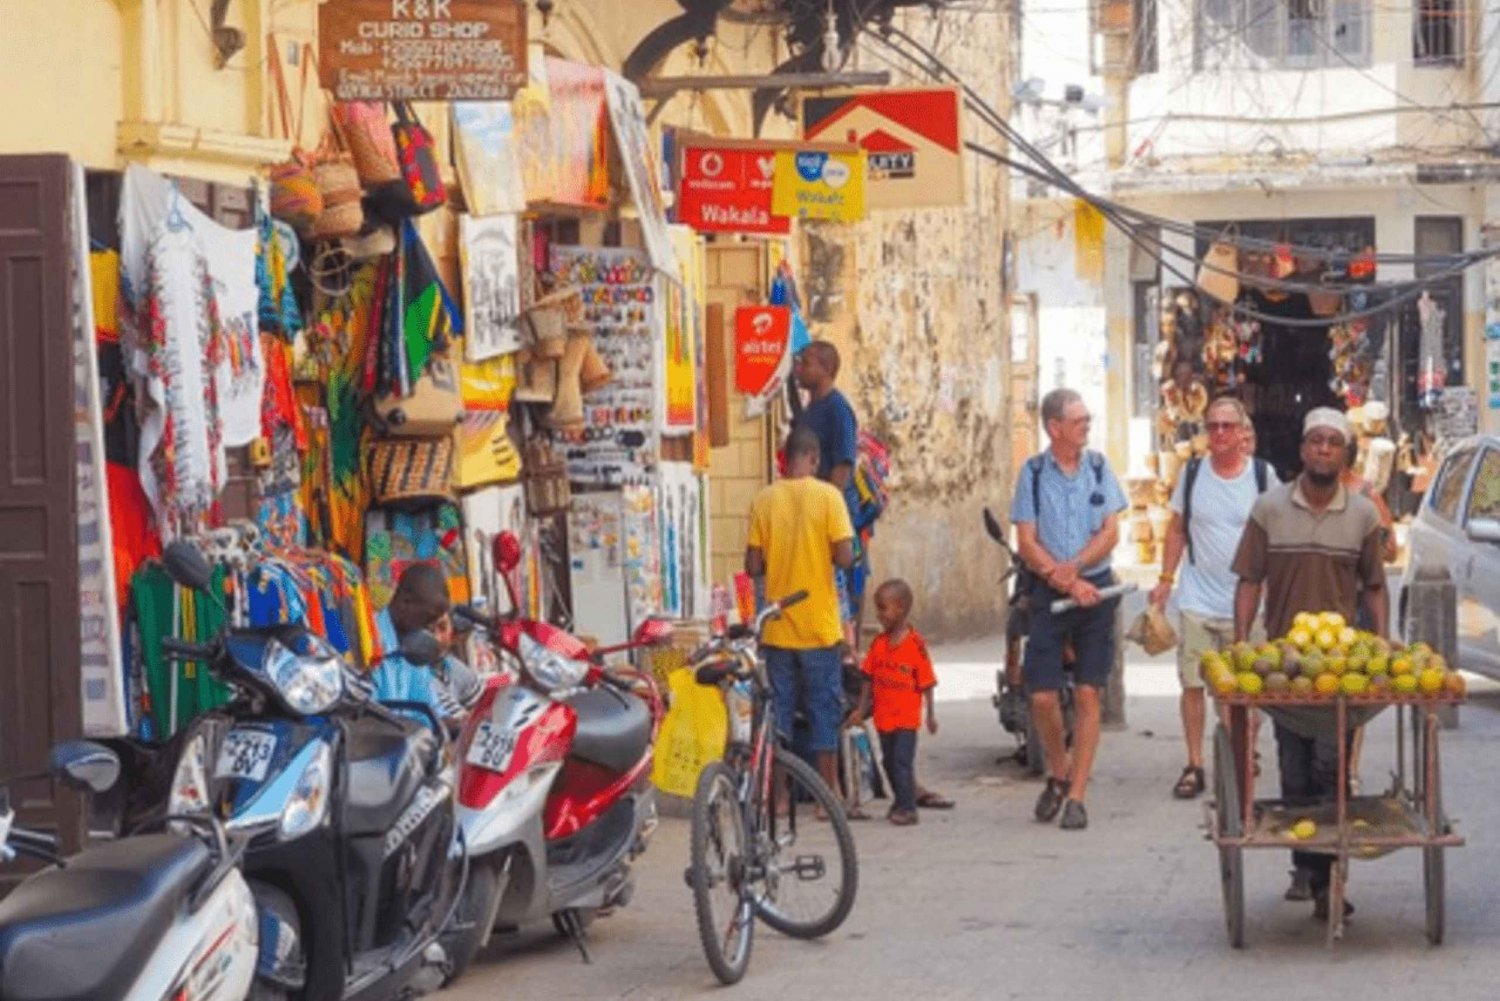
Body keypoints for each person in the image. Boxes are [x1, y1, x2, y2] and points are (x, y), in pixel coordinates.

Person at [1231, 407, 1388, 919]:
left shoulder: (1363, 515)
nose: (1323, 449)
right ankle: (1307, 866)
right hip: (1284, 665)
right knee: (1295, 771)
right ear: (1302, 450)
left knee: (1331, 768)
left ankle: (1326, 882)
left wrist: (1383, 642)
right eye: (1315, 441)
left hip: (1339, 666)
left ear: (1345, 455)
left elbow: (1374, 586)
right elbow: (1250, 580)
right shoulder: (1269, 509)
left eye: (1333, 443)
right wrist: (1240, 643)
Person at [1012, 388, 1128, 831]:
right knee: (1041, 694)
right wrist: (1060, 578)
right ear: (1054, 428)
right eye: (1078, 420)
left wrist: (1077, 570)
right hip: (1049, 594)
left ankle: (1077, 794)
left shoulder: (1098, 468)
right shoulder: (1034, 474)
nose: (1086, 426)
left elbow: (1111, 531)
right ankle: (1057, 774)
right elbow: (1026, 539)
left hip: (1095, 594)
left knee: (1087, 692)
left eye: (1086, 419)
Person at [1150, 397, 1276, 800]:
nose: (1219, 433)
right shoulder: (1191, 474)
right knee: (1192, 684)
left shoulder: (1262, 476)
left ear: (1243, 433)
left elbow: (1279, 533)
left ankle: (1245, 753)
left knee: (1246, 686)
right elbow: (1176, 529)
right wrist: (1166, 578)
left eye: (1227, 426)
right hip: (1198, 601)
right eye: (1213, 426)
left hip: (1247, 602)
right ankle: (1195, 763)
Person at [746, 428, 860, 815]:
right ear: (813, 458)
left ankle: (778, 799)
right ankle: (827, 797)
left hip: (777, 628)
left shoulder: (764, 499)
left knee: (778, 714)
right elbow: (845, 557)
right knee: (823, 710)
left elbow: (752, 565)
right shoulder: (829, 497)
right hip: (819, 628)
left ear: (785, 457)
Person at [791, 340, 865, 648]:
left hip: (835, 513)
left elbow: (843, 465)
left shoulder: (837, 410)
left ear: (827, 370)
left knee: (844, 584)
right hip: (814, 508)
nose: (800, 368)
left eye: (807, 363)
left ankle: (849, 651)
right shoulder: (811, 407)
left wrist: (827, 510)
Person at [850, 580, 938, 826]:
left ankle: (909, 808)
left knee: (902, 761)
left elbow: (927, 683)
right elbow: (868, 679)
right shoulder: (878, 645)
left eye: (882, 608)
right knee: (887, 761)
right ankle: (900, 800)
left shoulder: (915, 645)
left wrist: (930, 715)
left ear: (900, 608)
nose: (879, 615)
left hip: (906, 718)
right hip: (884, 717)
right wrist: (861, 708)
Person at [370, 563, 480, 731]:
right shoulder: (367, 640)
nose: (429, 630)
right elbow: (369, 717)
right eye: (427, 620)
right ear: (405, 603)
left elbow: (429, 708)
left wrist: (462, 725)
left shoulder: (417, 647)